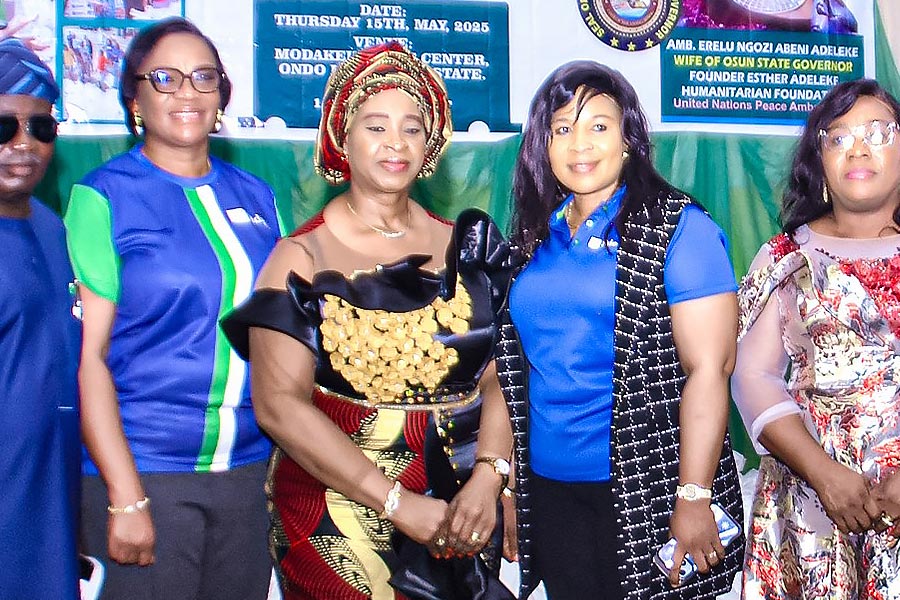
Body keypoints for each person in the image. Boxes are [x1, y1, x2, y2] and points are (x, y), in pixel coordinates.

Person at [221, 41, 515, 600]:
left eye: (412, 127)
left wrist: (488, 475)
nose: (395, 143)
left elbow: (500, 375)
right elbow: (278, 404)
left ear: (431, 142)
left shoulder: (470, 246)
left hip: (461, 504)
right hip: (334, 511)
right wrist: (396, 502)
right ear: (342, 138)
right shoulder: (300, 257)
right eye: (376, 126)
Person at [497, 60, 745, 600]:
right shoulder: (532, 238)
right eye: (561, 128)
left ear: (629, 137)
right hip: (550, 492)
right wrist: (508, 485)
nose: (578, 143)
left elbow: (710, 370)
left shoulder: (680, 226)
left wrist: (695, 495)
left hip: (649, 489)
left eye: (598, 125)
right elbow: (511, 371)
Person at [64, 17, 283, 600]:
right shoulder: (102, 196)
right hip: (147, 473)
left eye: (203, 77)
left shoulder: (257, 197)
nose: (187, 92)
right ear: (134, 96)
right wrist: (125, 494)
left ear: (221, 95)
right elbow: (90, 361)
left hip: (247, 478)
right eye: (165, 78)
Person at [733, 79, 900, 599]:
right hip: (812, 504)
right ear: (819, 161)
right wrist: (825, 475)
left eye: (879, 132)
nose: (859, 147)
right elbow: (752, 377)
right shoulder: (785, 256)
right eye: (838, 136)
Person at [0, 38, 80, 600]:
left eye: (41, 128)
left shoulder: (55, 229)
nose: (23, 146)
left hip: (52, 496)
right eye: (3, 128)